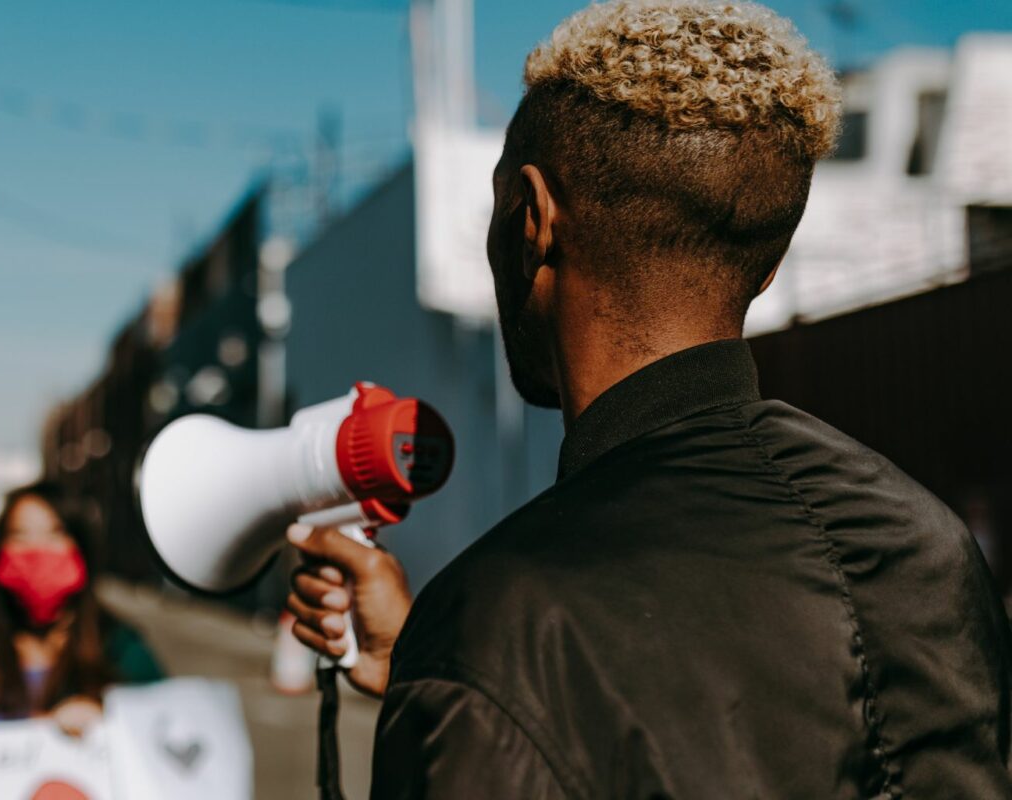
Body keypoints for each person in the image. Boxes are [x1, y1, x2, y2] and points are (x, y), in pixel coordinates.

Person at [286, 1, 1012, 796]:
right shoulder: (930, 545)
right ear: (767, 265)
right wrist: (439, 670)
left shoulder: (500, 630)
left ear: (532, 219)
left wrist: (461, 681)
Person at [0, 483, 163, 737]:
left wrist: (108, 716)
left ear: (81, 547)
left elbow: (167, 719)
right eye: (20, 536)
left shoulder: (118, 645)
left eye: (55, 534)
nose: (37, 550)